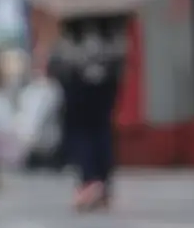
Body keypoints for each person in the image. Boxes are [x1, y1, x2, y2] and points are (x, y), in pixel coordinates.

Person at [41, 12, 129, 212]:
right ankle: (102, 182)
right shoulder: (112, 3)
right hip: (109, 64)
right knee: (101, 124)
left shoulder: (73, 2)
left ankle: (89, 179)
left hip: (77, 66)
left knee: (80, 125)